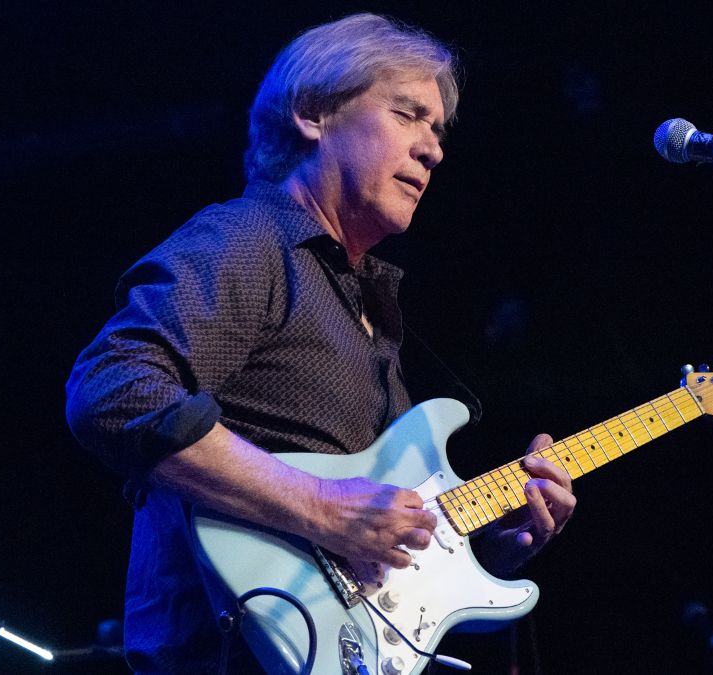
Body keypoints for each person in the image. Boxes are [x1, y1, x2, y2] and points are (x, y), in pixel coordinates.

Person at [66, 13, 576, 673]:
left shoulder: (366, 304)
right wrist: (320, 505)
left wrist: (491, 547)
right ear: (312, 112)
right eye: (408, 114)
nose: (435, 149)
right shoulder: (250, 240)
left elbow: (374, 558)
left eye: (437, 128)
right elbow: (113, 387)